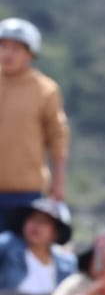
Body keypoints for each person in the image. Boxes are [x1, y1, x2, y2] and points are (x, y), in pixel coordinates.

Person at [0, 18, 69, 212]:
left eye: (15, 49)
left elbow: (58, 138)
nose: (7, 54)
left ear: (30, 54)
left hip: (26, 192)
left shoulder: (45, 90)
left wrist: (59, 182)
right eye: (3, 46)